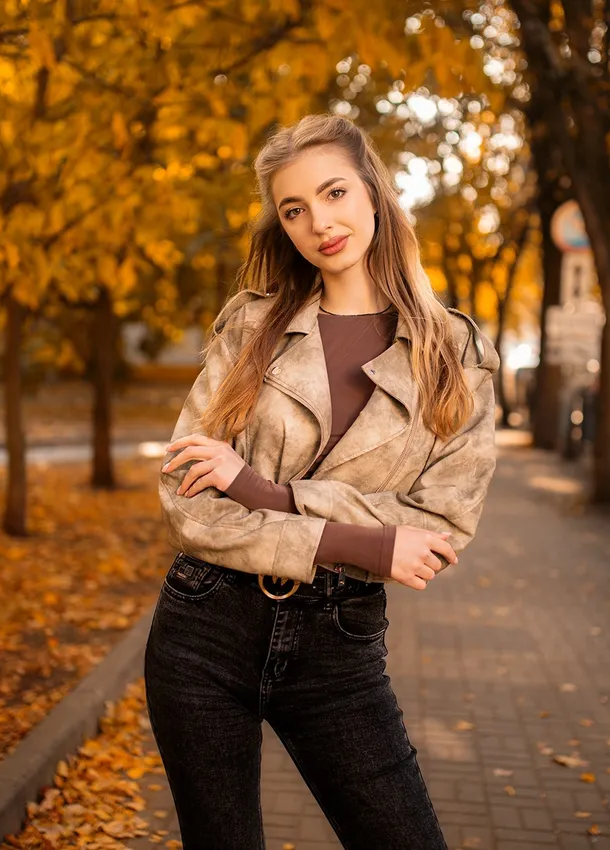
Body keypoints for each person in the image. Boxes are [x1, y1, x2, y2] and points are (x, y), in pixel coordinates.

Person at [149, 113, 500, 850]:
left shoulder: (455, 353)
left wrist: (258, 488)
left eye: (335, 192)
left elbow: (436, 533)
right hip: (204, 626)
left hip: (338, 644)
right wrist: (369, 540)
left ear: (373, 191)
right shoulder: (252, 326)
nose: (321, 222)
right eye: (294, 208)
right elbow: (189, 504)